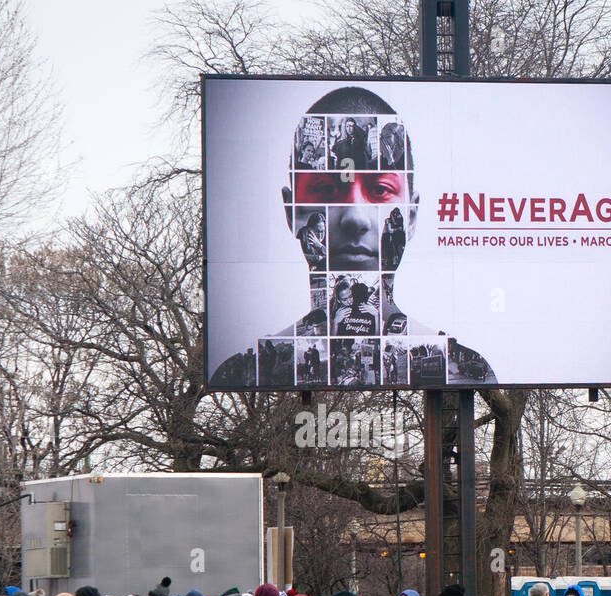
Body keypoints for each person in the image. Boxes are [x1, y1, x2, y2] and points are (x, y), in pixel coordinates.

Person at [208, 86, 496, 388]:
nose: (356, 217)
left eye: (380, 190)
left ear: (411, 215)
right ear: (290, 212)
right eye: (325, 189)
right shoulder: (243, 372)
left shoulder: (465, 368)